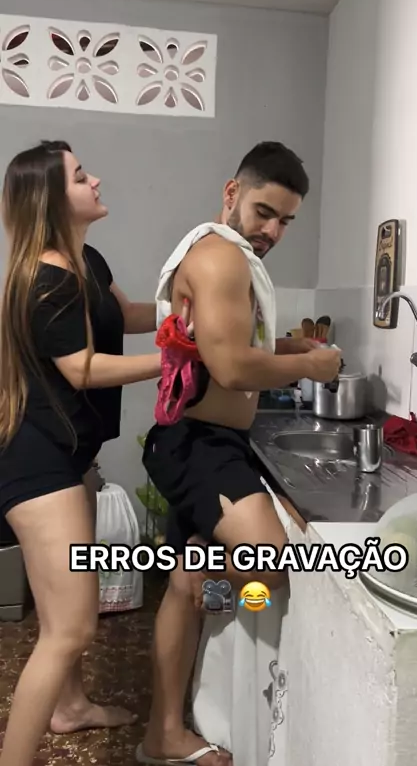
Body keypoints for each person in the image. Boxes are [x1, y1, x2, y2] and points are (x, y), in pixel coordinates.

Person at [139, 142, 342, 766]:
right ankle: (201, 585)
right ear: (232, 193)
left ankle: (163, 733)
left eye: (286, 220)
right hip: (197, 442)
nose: (273, 230)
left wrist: (286, 345)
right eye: (264, 212)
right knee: (269, 564)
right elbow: (229, 366)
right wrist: (311, 365)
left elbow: (222, 340)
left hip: (205, 440)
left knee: (186, 591)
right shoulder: (221, 257)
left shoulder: (228, 255)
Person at [0, 140, 193, 766]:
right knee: (72, 626)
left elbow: (125, 313)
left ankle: (70, 707)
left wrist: (185, 315)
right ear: (52, 200)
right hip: (37, 461)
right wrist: (175, 361)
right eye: (81, 176)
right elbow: (82, 368)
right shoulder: (48, 279)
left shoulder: (86, 260)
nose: (96, 180)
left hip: (71, 453)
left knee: (61, 606)